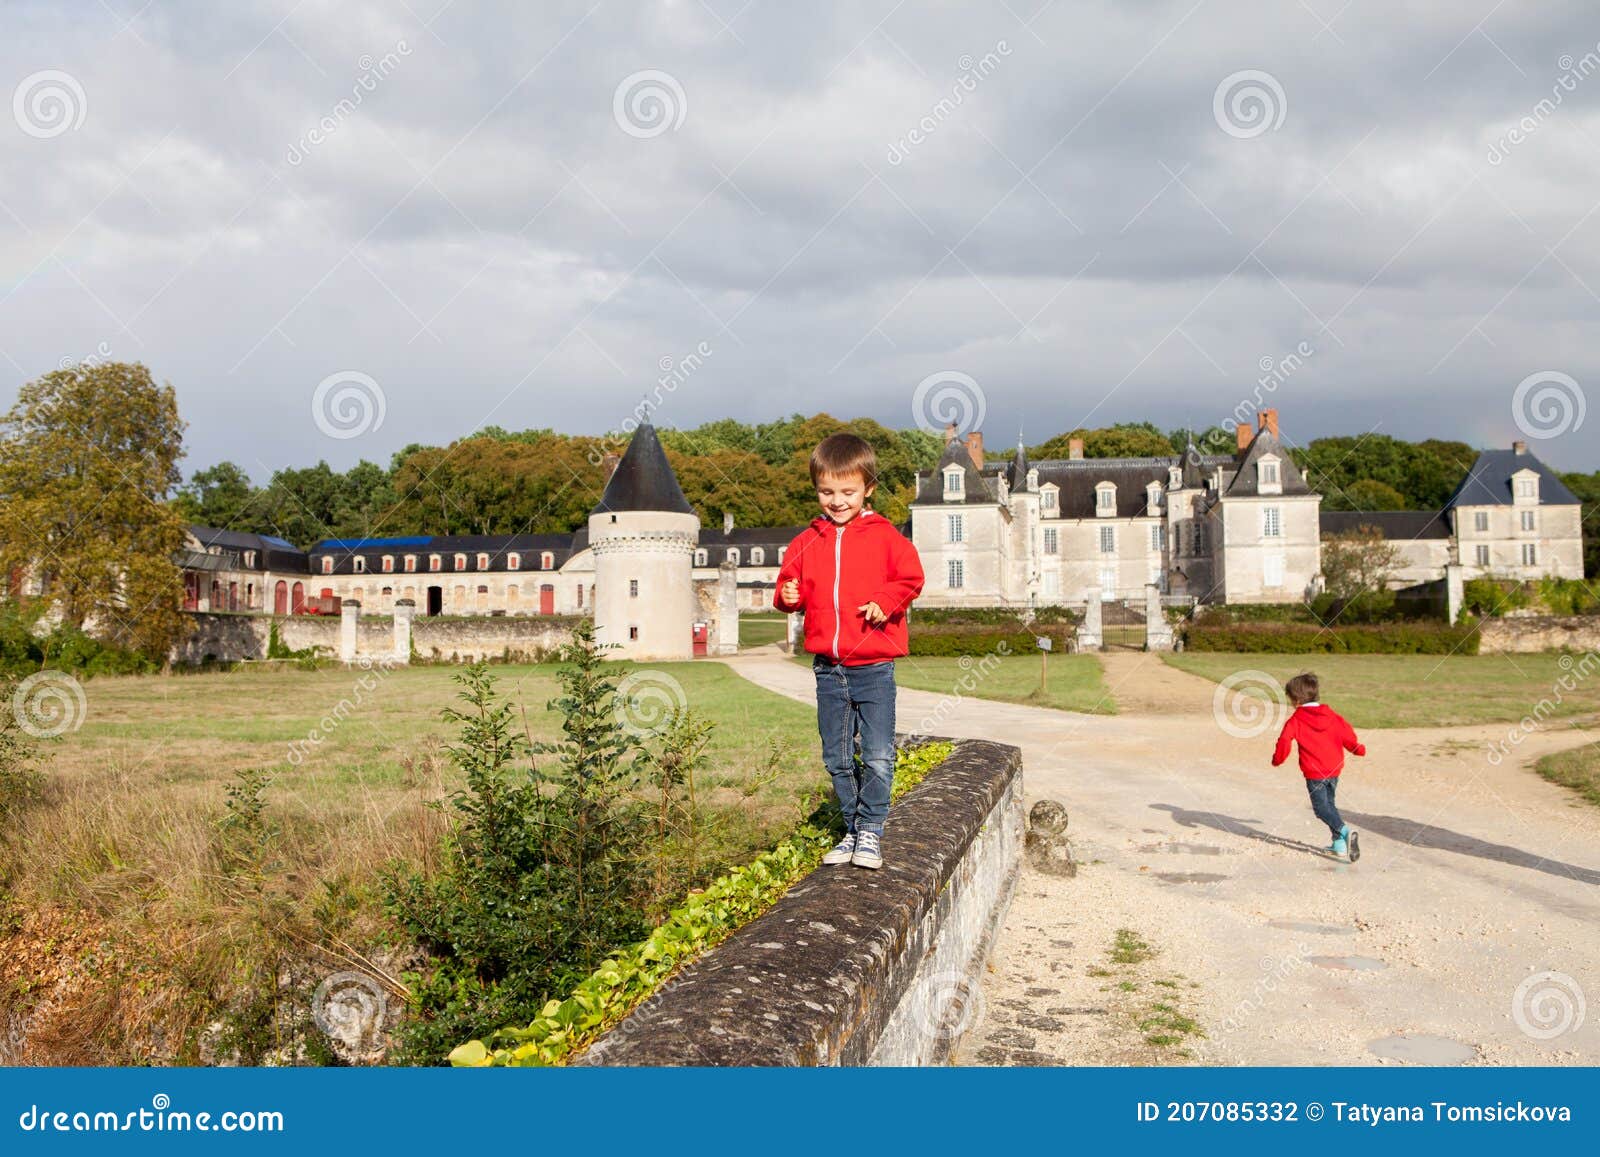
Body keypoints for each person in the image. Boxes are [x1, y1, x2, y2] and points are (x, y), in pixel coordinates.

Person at [774, 433, 925, 870]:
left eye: (847, 491)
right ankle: (851, 829)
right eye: (827, 492)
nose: (836, 501)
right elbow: (790, 591)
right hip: (828, 669)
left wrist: (886, 600)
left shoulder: (886, 538)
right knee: (836, 756)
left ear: (868, 488)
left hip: (874, 667)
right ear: (817, 489)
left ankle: (872, 830)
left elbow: (910, 579)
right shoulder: (806, 541)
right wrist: (787, 593)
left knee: (877, 753)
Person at [1271, 671, 1365, 861]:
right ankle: (1339, 845)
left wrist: (1277, 759)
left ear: (1297, 700)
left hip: (1315, 774)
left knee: (1321, 809)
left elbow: (1284, 742)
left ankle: (1345, 831)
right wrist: (1358, 749)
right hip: (1334, 769)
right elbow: (1347, 735)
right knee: (1329, 805)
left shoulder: (1296, 720)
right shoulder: (1332, 716)